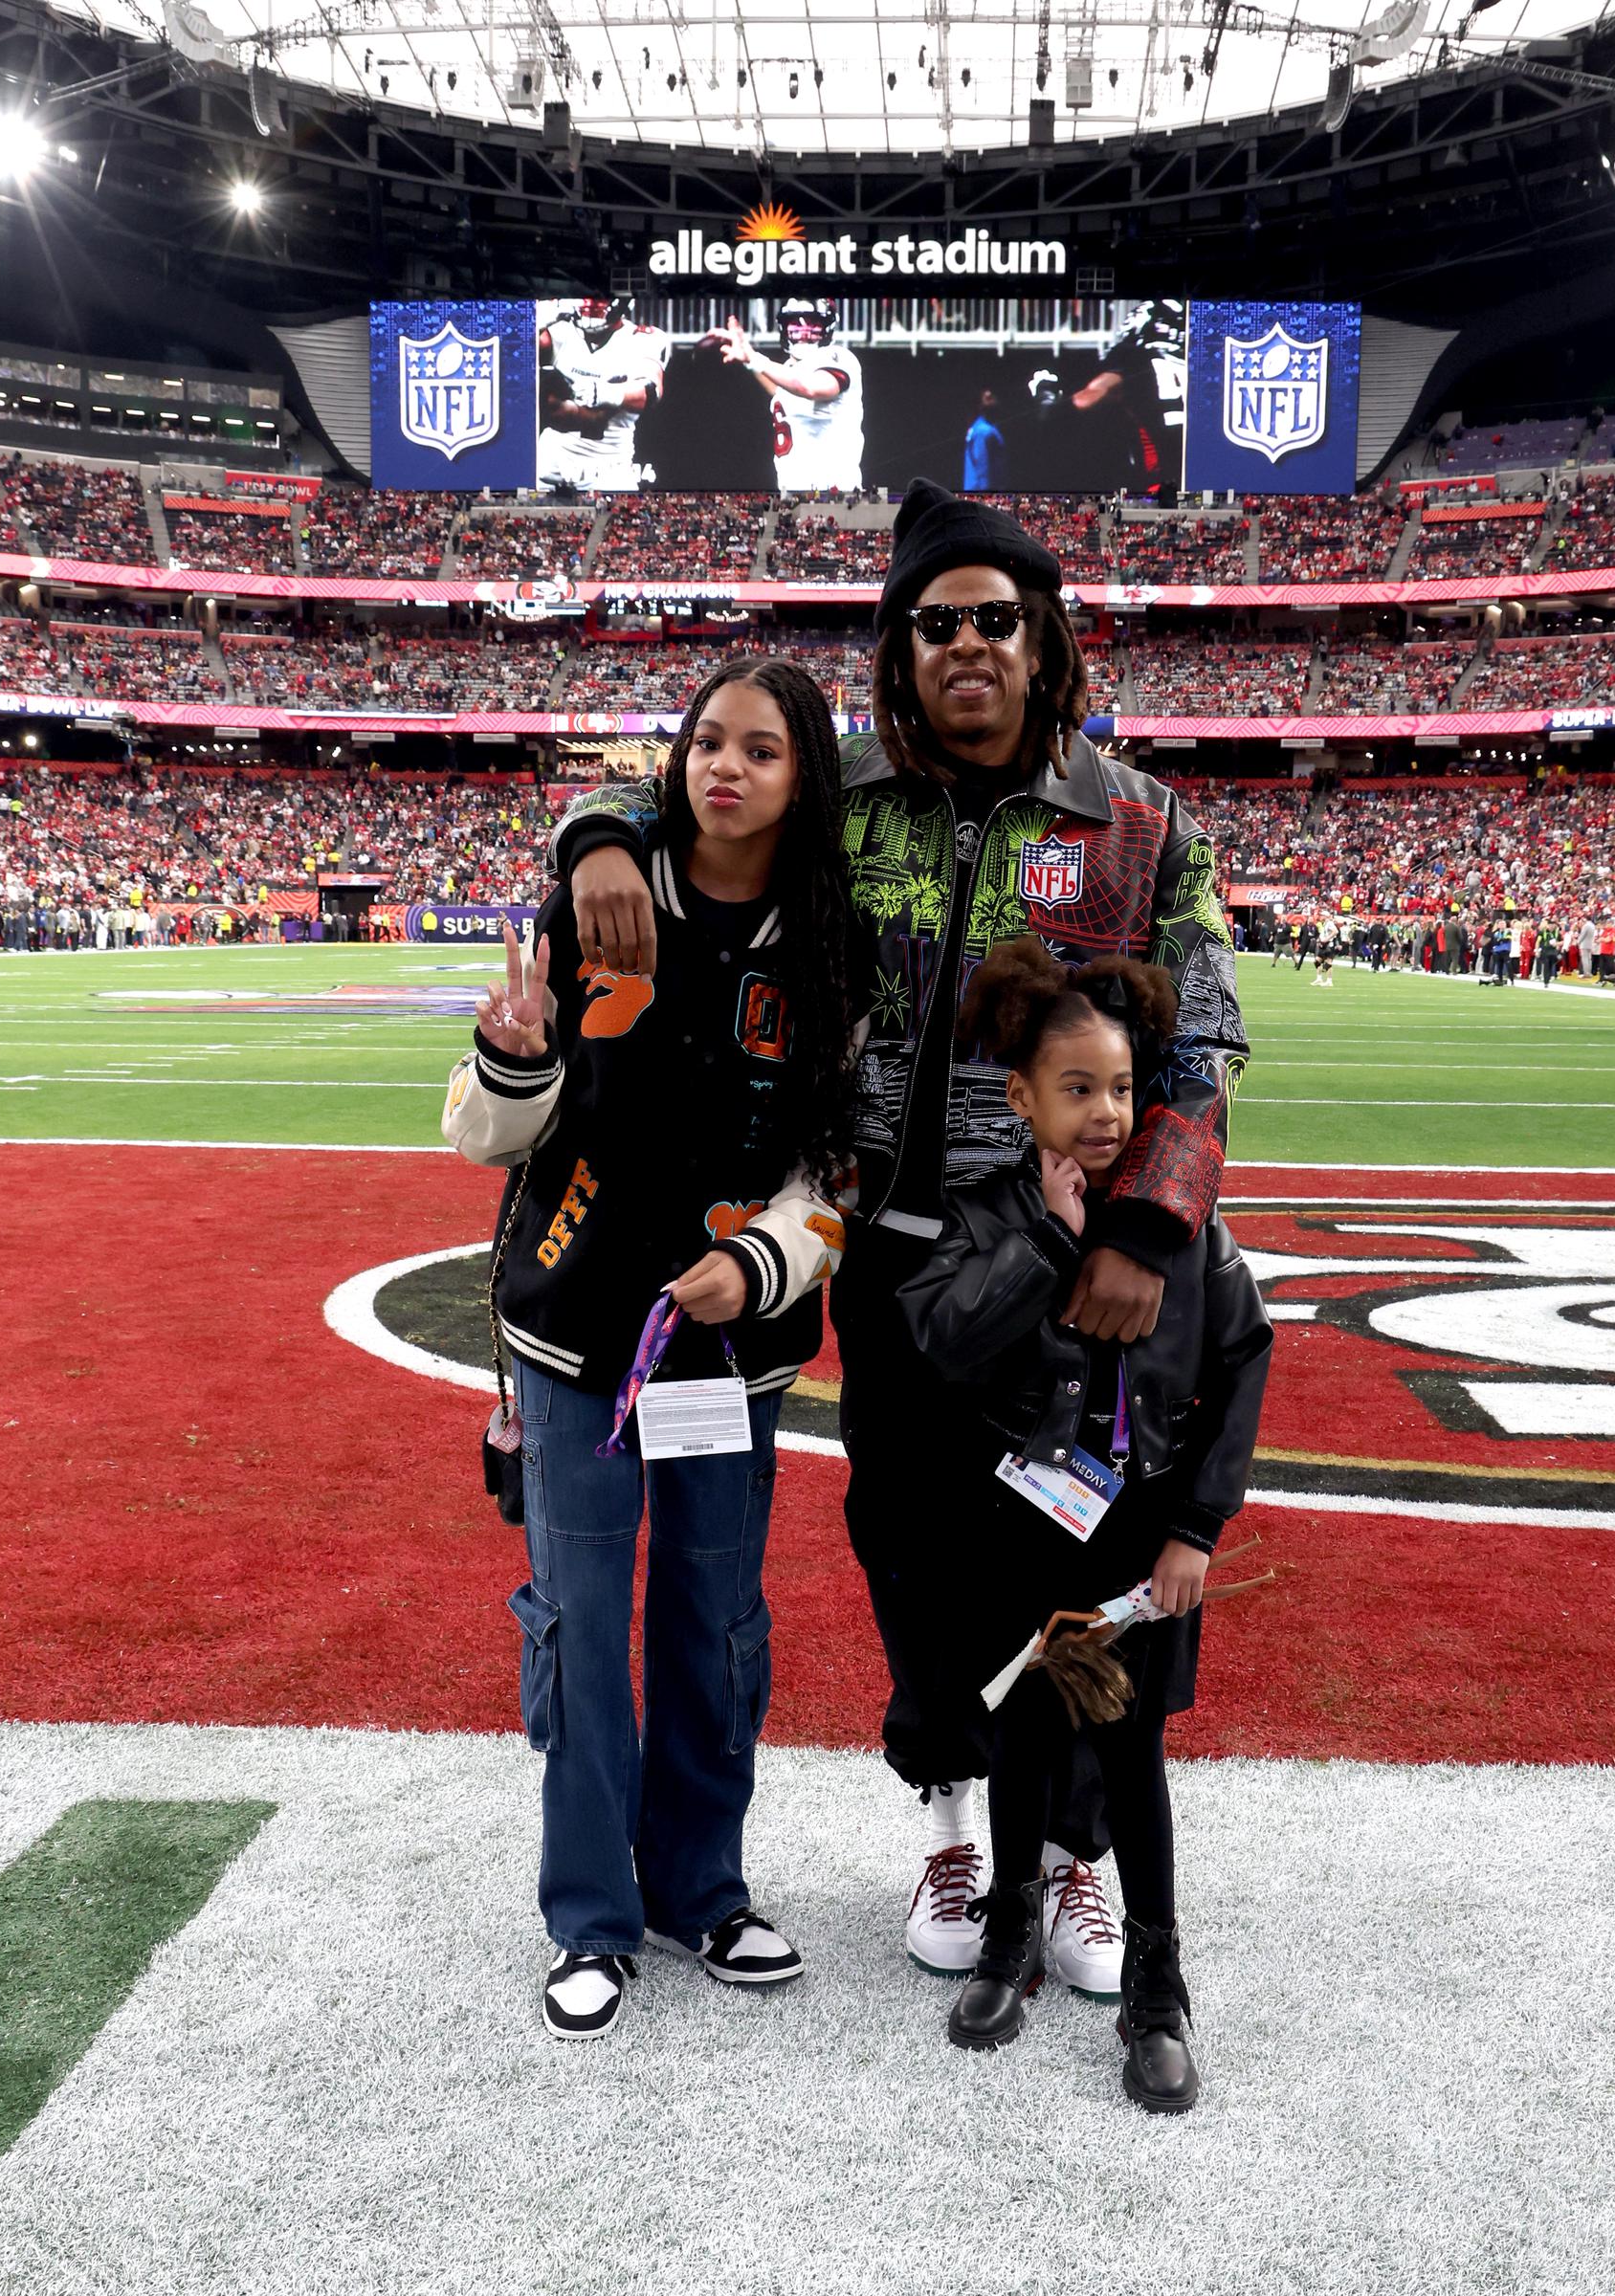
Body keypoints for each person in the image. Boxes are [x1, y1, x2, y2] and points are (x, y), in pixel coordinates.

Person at [548, 480, 1247, 2001]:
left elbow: (1203, 1048)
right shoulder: (843, 791)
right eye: (936, 624)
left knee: (1084, 1552)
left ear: (1042, 635)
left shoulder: (1137, 822)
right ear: (899, 647)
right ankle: (947, 1816)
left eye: (997, 617)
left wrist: (1144, 1224)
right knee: (910, 1557)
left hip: (1065, 1278)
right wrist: (595, 830)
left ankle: (1066, 1857)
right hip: (885, 1262)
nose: (968, 646)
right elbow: (688, 807)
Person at [443, 655, 859, 2041]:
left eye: (759, 749)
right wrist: (510, 1056)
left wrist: (764, 1260)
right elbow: (483, 1136)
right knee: (576, 1620)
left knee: (715, 1623)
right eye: (705, 742)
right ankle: (590, 1917)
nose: (723, 767)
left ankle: (703, 1887)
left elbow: (839, 1169)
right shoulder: (601, 896)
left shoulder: (831, 948)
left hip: (732, 1357)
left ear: (805, 777)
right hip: (574, 1339)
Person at [898, 938, 1270, 2108]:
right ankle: (1008, 1940)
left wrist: (1196, 1529)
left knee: (1130, 1753)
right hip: (1018, 1533)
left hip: (1140, 1535)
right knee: (1015, 1738)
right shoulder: (984, 1213)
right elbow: (941, 1346)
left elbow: (1242, 1358)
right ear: (1018, 1097)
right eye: (1075, 1089)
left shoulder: (1178, 1224)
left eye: (1120, 1087)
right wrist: (1045, 1247)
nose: (1105, 1113)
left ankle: (1158, 1989)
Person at [720, 298, 865, 496]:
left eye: (812, 323)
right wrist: (749, 359)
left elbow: (809, 388)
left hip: (835, 494)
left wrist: (755, 358)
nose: (804, 331)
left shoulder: (839, 357)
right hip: (793, 493)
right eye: (796, 323)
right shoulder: (790, 369)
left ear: (827, 327)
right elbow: (782, 391)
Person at [536, 296, 671, 494]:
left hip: (608, 468)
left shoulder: (641, 338)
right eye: (583, 297)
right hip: (552, 465)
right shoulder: (559, 332)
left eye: (598, 298)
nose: (589, 304)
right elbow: (504, 357)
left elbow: (650, 392)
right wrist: (529, 322)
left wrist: (604, 392)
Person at [962, 391, 1007, 494]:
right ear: (980, 405)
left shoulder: (982, 427)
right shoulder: (984, 431)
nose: (994, 400)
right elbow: (983, 470)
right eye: (989, 398)